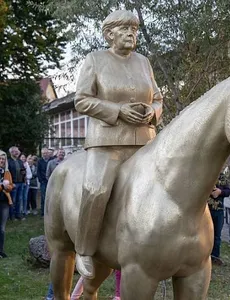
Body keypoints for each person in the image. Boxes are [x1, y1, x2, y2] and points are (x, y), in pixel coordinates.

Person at [73, 10, 163, 279]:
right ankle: (85, 249)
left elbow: (158, 97)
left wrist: (153, 112)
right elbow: (81, 100)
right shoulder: (95, 61)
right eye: (124, 29)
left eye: (134, 30)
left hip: (145, 142)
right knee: (96, 189)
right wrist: (118, 110)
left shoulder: (144, 62)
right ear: (109, 34)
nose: (131, 34)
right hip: (107, 142)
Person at [207, 172, 230, 265]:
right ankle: (205, 257)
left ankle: (215, 257)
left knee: (217, 235)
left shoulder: (221, 176)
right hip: (206, 210)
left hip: (219, 210)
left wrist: (220, 192)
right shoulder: (204, 174)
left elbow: (228, 191)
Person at [0, 150, 13, 258]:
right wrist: (2, 186)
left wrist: (7, 187)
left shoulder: (7, 172)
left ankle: (1, 250)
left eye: (3, 159)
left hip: (4, 202)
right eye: (0, 158)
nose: (1, 161)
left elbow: (11, 186)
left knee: (2, 228)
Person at [7, 146, 25, 220]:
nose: (17, 152)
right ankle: (12, 216)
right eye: (15, 151)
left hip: (20, 183)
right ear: (11, 152)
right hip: (13, 184)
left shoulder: (20, 161)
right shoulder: (8, 162)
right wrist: (11, 183)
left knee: (19, 200)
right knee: (12, 200)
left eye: (17, 150)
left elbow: (23, 171)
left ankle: (18, 215)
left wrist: (24, 173)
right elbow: (8, 174)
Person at [37, 148, 51, 217]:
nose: (45, 154)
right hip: (43, 182)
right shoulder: (40, 161)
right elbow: (38, 171)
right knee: (43, 197)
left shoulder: (51, 160)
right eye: (44, 153)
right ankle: (43, 212)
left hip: (51, 181)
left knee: (51, 197)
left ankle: (50, 212)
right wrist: (41, 180)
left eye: (46, 153)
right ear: (42, 154)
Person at [19, 153, 32, 217]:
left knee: (25, 197)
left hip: (26, 184)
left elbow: (30, 175)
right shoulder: (18, 164)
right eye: (22, 157)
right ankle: (20, 210)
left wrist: (26, 177)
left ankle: (25, 210)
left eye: (24, 157)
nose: (23, 158)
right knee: (20, 198)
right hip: (20, 183)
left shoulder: (27, 165)